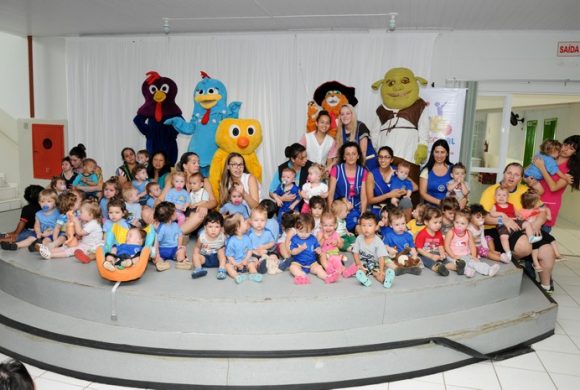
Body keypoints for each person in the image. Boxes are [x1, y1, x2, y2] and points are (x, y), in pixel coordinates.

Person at [480, 162, 557, 293]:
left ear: (521, 178)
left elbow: (543, 210)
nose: (511, 177)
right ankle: (520, 260)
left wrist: (538, 223)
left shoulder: (525, 190)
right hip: (495, 229)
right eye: (509, 173)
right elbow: (483, 217)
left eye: (516, 175)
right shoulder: (491, 191)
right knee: (524, 246)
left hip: (524, 227)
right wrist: (503, 219)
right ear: (504, 173)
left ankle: (545, 287)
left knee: (549, 251)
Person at [533, 135, 580, 234]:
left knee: (540, 240)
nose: (566, 149)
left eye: (571, 148)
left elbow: (553, 187)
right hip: (532, 201)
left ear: (575, 153)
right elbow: (529, 171)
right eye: (566, 144)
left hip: (549, 207)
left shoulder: (570, 171)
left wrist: (542, 167)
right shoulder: (549, 157)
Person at [38, 198, 103, 261]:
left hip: (91, 246)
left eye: (81, 212)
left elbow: (80, 232)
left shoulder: (93, 224)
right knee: (67, 246)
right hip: (84, 242)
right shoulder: (86, 221)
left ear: (90, 215)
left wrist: (76, 221)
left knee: (71, 250)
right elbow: (73, 229)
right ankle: (48, 250)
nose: (79, 214)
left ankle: (51, 255)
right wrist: (70, 220)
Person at [444, 209, 500, 278]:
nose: (459, 225)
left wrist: (473, 256)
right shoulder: (451, 232)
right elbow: (446, 246)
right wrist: (453, 256)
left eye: (462, 223)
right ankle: (467, 271)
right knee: (461, 265)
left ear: (468, 224)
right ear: (453, 222)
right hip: (453, 256)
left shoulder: (469, 233)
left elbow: (472, 245)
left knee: (475, 262)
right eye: (457, 222)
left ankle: (489, 270)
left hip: (466, 254)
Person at [174, 152, 218, 235]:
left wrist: (203, 205)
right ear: (185, 166)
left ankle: (174, 235)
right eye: (194, 163)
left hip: (197, 215)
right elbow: (163, 198)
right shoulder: (176, 179)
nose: (197, 165)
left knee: (200, 212)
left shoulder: (203, 181)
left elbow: (214, 202)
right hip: (180, 214)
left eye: (198, 162)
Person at [327, 142, 368, 232]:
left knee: (358, 227)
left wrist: (363, 214)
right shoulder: (336, 169)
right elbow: (331, 193)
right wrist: (331, 213)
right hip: (338, 208)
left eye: (354, 154)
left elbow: (364, 196)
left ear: (358, 156)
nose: (351, 157)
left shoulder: (363, 171)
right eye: (348, 154)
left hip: (355, 209)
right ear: (344, 157)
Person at [288, 213, 338, 285]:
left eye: (307, 232)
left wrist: (318, 250)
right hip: (298, 263)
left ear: (312, 230)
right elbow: (292, 252)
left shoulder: (313, 238)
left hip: (312, 263)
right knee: (292, 268)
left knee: (319, 268)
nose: (304, 234)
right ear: (296, 228)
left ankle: (327, 277)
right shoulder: (294, 239)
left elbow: (317, 246)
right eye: (301, 231)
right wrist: (300, 249)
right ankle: (301, 276)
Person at [352, 212, 397, 288]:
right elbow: (355, 253)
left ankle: (386, 279)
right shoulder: (359, 238)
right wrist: (358, 264)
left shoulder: (378, 241)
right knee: (360, 271)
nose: (366, 228)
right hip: (363, 263)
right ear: (360, 227)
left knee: (378, 274)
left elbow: (381, 257)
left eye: (370, 225)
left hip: (375, 264)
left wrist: (382, 270)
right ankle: (364, 280)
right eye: (363, 225)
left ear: (376, 227)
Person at [366, 146, 409, 217]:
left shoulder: (397, 171)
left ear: (391, 159)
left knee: (406, 203)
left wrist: (404, 191)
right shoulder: (371, 174)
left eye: (386, 157)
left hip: (395, 209)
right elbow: (370, 200)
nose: (383, 160)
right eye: (380, 157)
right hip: (379, 210)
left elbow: (415, 186)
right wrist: (388, 195)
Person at [336, 104, 377, 170]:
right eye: (342, 114)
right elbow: (340, 155)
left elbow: (363, 152)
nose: (345, 116)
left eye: (348, 113)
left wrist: (356, 171)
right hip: (351, 164)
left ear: (352, 114)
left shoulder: (360, 126)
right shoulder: (340, 130)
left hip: (367, 162)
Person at [415, 207, 455, 276]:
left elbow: (440, 245)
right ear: (426, 222)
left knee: (445, 260)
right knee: (427, 261)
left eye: (440, 222)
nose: (438, 225)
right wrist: (431, 256)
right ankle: (439, 268)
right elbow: (419, 249)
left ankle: (457, 267)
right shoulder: (422, 234)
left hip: (437, 253)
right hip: (425, 254)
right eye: (435, 222)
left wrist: (442, 253)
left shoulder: (438, 233)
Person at [224, 213, 261, 284]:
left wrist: (246, 259)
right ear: (237, 227)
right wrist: (235, 263)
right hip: (235, 263)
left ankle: (254, 274)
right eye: (244, 220)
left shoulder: (247, 238)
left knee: (252, 264)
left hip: (246, 261)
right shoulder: (232, 241)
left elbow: (250, 250)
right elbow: (229, 255)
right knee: (227, 266)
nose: (246, 221)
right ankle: (236, 276)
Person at [154, 201, 191, 271]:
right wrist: (157, 253)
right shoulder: (162, 228)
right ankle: (161, 262)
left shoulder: (175, 225)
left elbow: (180, 235)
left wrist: (179, 246)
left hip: (173, 249)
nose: (177, 213)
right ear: (170, 216)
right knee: (156, 257)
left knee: (182, 249)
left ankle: (180, 262)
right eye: (175, 211)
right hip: (163, 250)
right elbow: (157, 242)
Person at [191, 211, 226, 280]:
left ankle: (221, 269)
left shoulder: (222, 236)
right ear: (205, 228)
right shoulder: (202, 237)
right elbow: (197, 247)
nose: (213, 230)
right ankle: (199, 269)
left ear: (221, 228)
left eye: (217, 227)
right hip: (205, 258)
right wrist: (196, 255)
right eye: (210, 226)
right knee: (195, 256)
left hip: (217, 259)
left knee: (221, 250)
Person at [419, 139, 453, 206]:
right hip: (430, 211)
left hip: (449, 210)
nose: (439, 155)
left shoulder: (453, 169)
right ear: (432, 153)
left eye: (442, 152)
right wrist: (440, 203)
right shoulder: (426, 170)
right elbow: (422, 193)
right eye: (437, 152)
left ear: (447, 153)